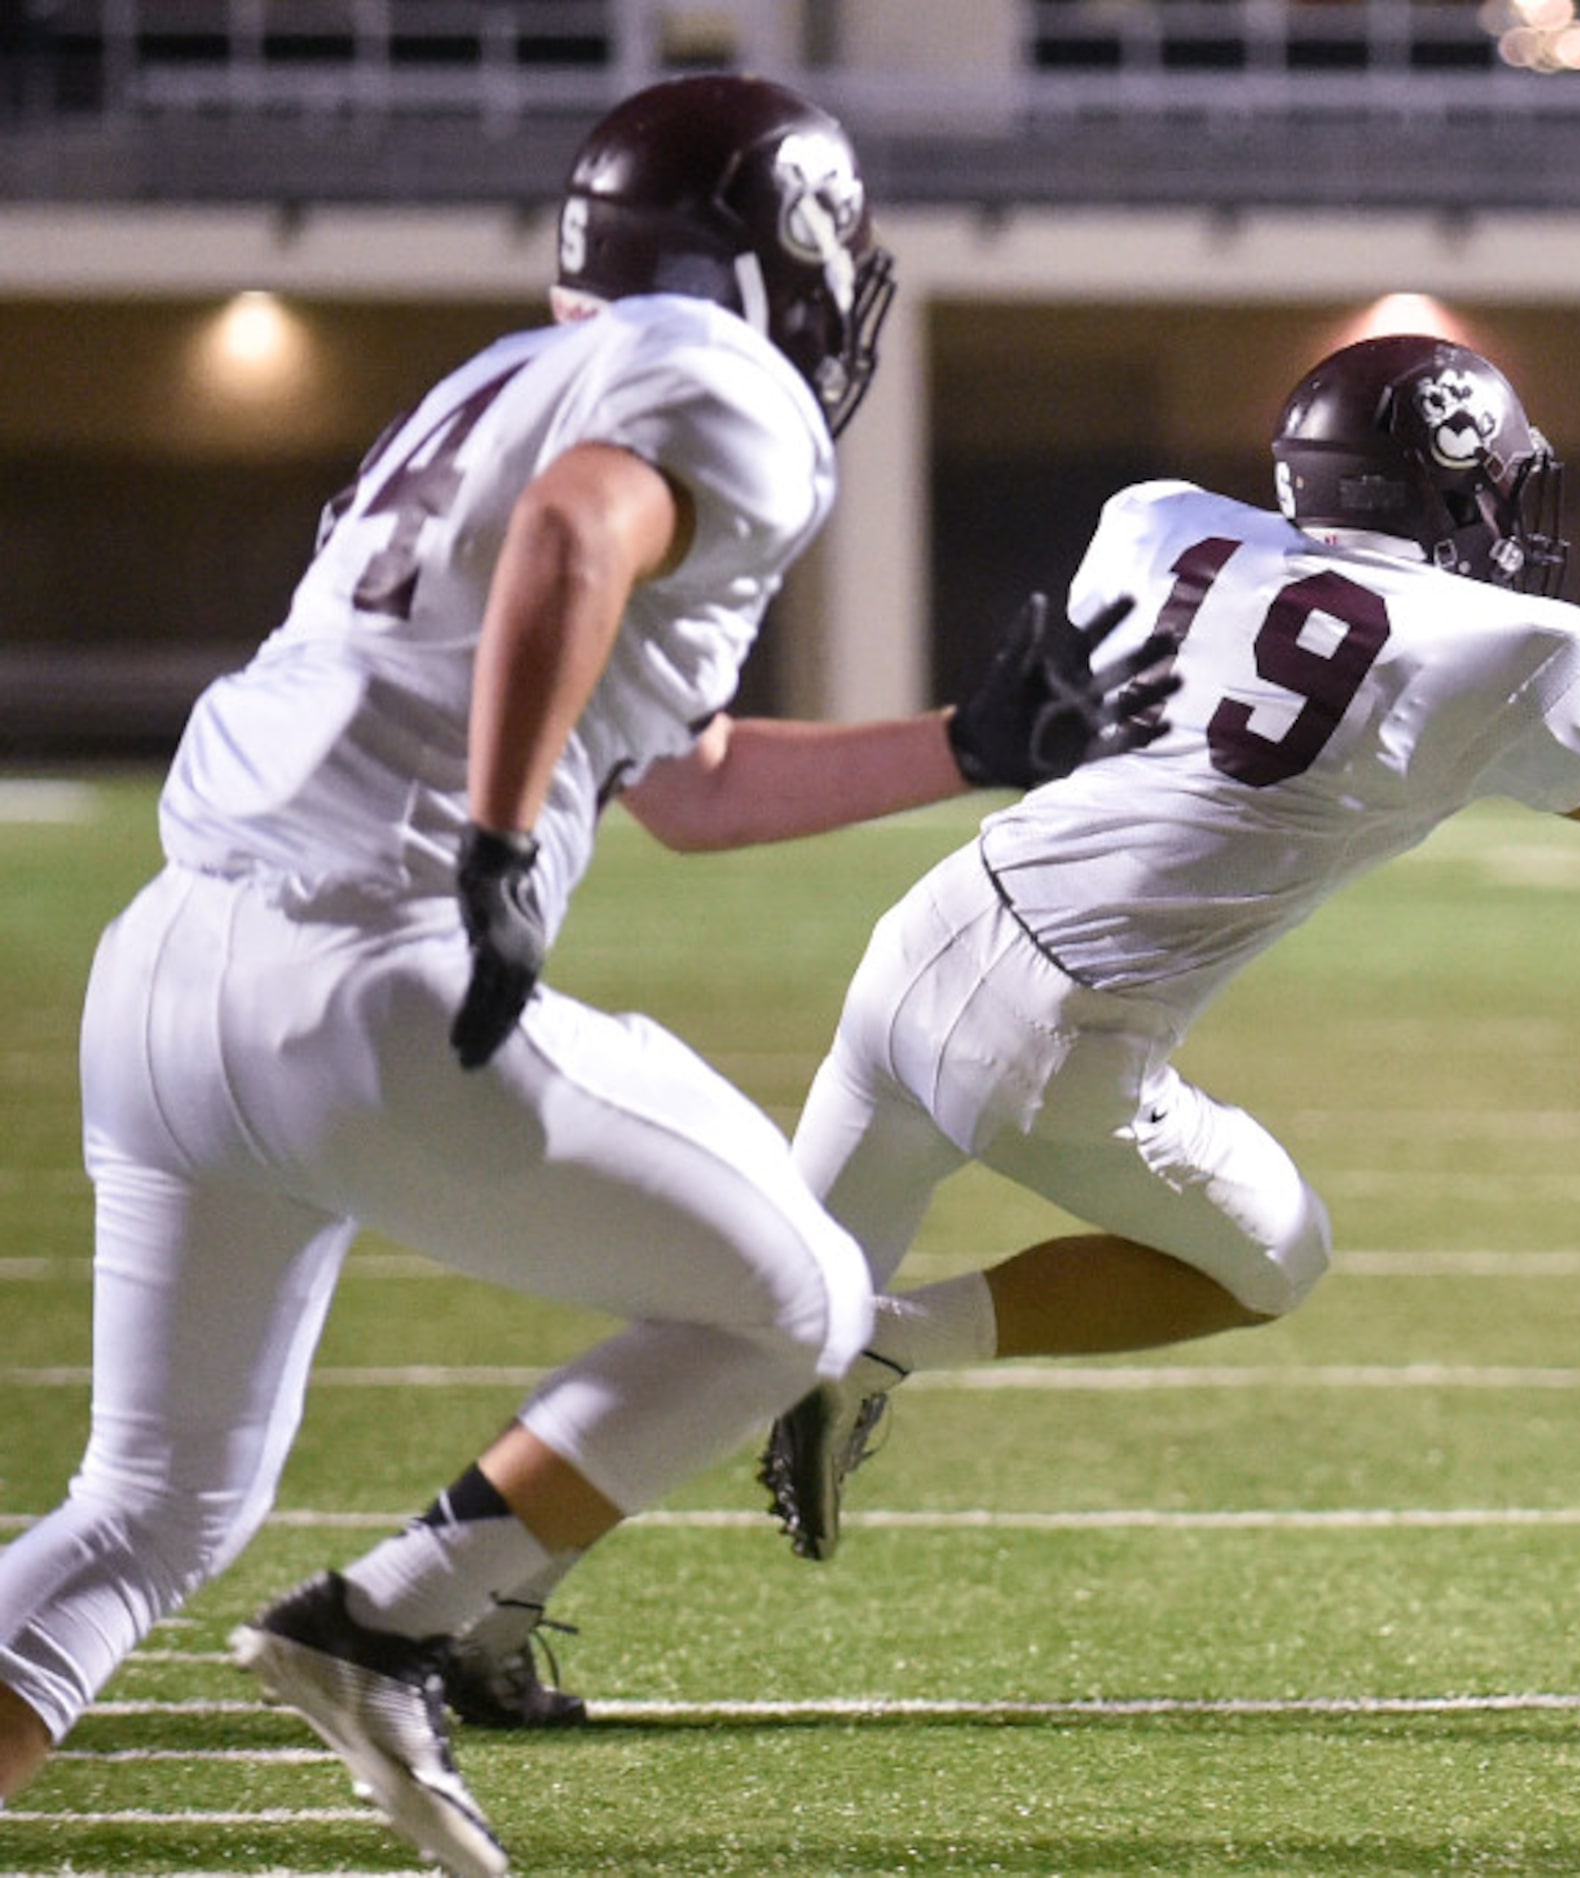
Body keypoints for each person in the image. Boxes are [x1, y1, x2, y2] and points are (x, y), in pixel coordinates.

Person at [329, 329, 1580, 1701]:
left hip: (924, 936)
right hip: (1057, 1038)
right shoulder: (1521, 643)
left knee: (730, 1329)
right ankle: (890, 1342)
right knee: (1270, 1259)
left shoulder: (1161, 523)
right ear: (1443, 482)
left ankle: (468, 1601)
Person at [0, 74, 1166, 1878]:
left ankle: (372, 1618)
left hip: (163, 973)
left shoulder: (489, 382)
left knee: (149, 1505)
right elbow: (576, 536)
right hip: (375, 969)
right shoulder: (727, 381)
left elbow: (683, 785)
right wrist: (488, 841)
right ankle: (389, 1618)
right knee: (800, 1293)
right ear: (772, 252)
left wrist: (967, 743)